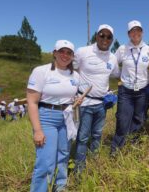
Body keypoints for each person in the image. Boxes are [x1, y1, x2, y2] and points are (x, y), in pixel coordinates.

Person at [27, 40, 83, 191]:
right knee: (46, 161)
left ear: (72, 56)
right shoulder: (41, 71)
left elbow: (70, 95)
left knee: (63, 155)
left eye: (69, 53)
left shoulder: (75, 76)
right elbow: (32, 102)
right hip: (47, 117)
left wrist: (76, 99)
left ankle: (60, 186)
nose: (65, 55)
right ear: (55, 53)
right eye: (62, 51)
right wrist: (38, 130)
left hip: (66, 117)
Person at [73, 24, 120, 174]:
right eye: (102, 35)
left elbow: (115, 75)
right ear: (96, 36)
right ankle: (79, 169)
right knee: (82, 137)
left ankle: (94, 162)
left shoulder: (112, 58)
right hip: (85, 102)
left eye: (109, 37)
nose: (105, 39)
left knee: (97, 134)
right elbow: (71, 69)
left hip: (102, 104)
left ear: (112, 40)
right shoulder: (83, 52)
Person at [110, 20, 149, 156]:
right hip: (126, 91)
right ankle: (116, 149)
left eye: (138, 30)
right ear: (128, 34)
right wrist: (119, 77)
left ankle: (133, 146)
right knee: (122, 118)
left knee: (139, 119)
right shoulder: (122, 49)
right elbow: (113, 65)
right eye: (133, 31)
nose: (136, 33)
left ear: (142, 32)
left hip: (143, 90)